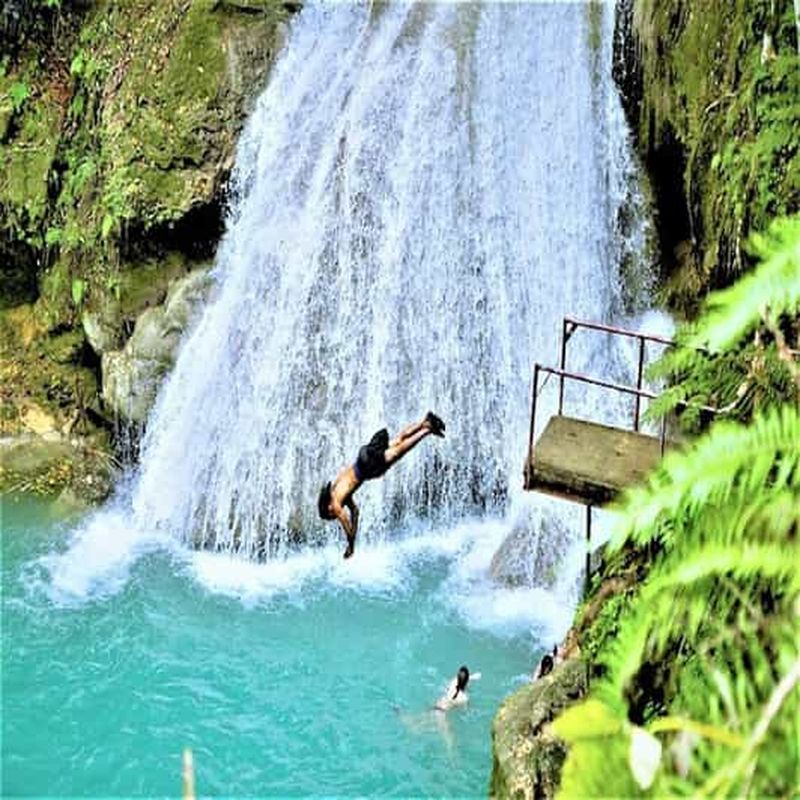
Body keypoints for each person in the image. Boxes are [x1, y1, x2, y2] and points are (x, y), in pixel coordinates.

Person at [318, 411, 445, 558]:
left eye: (331, 516)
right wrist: (354, 533)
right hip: (364, 455)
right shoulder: (337, 488)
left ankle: (427, 430)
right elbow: (355, 512)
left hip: (368, 465)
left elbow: (345, 521)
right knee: (398, 440)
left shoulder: (335, 504)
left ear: (327, 508)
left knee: (399, 451)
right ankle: (424, 422)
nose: (335, 515)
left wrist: (351, 545)